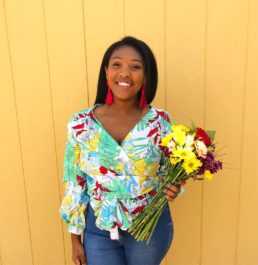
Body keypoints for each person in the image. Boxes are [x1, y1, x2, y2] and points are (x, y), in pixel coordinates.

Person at [59, 36, 185, 265]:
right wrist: (75, 238)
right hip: (98, 229)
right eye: (117, 64)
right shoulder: (81, 123)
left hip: (148, 228)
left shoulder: (160, 122)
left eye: (135, 67)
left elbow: (171, 172)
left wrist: (175, 187)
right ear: (106, 72)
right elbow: (74, 181)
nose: (125, 73)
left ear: (145, 76)